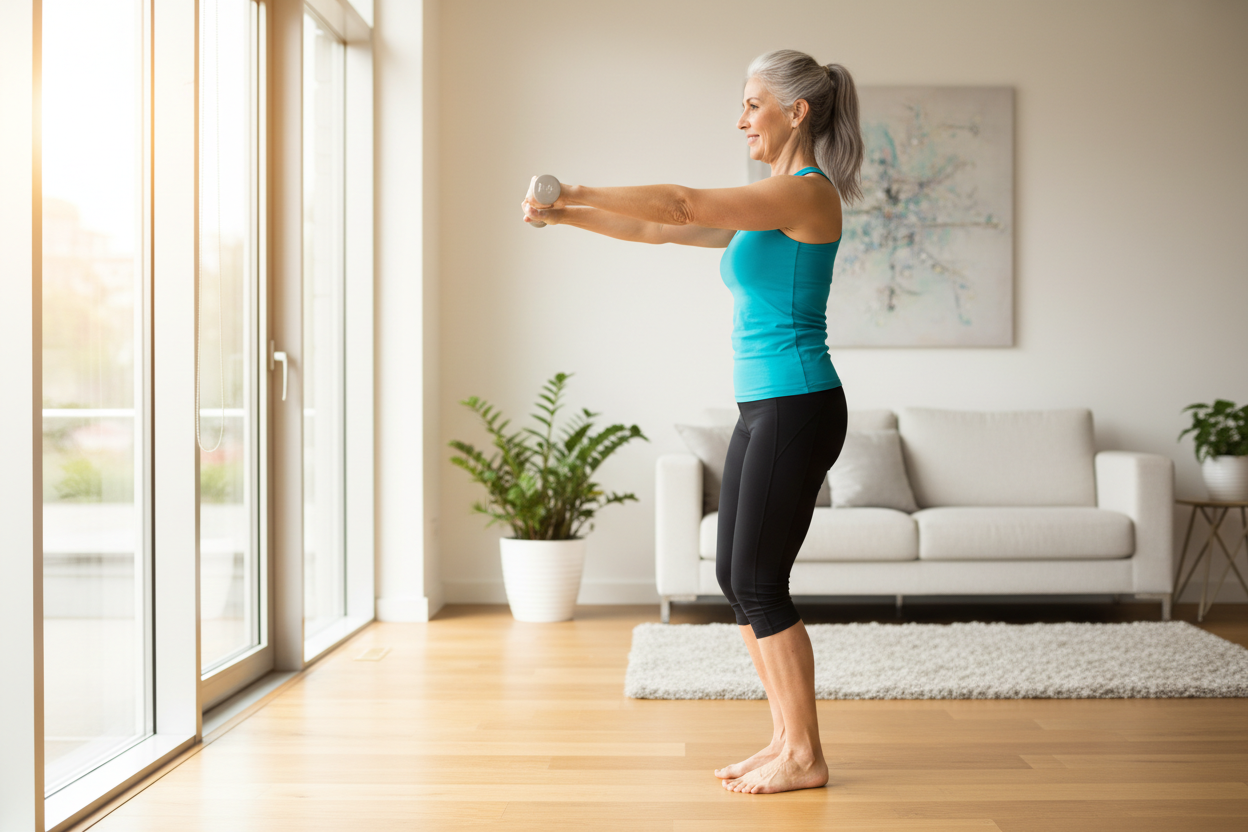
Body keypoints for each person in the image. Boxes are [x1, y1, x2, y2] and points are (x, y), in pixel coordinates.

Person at [520, 49, 863, 795]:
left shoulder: (807, 196)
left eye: (752, 103)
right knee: (739, 580)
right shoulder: (766, 202)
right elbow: (660, 232)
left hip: (799, 405)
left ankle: (806, 755)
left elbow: (678, 203)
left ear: (795, 111)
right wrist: (566, 214)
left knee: (762, 581)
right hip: (764, 407)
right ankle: (785, 741)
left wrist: (576, 185)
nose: (740, 118)